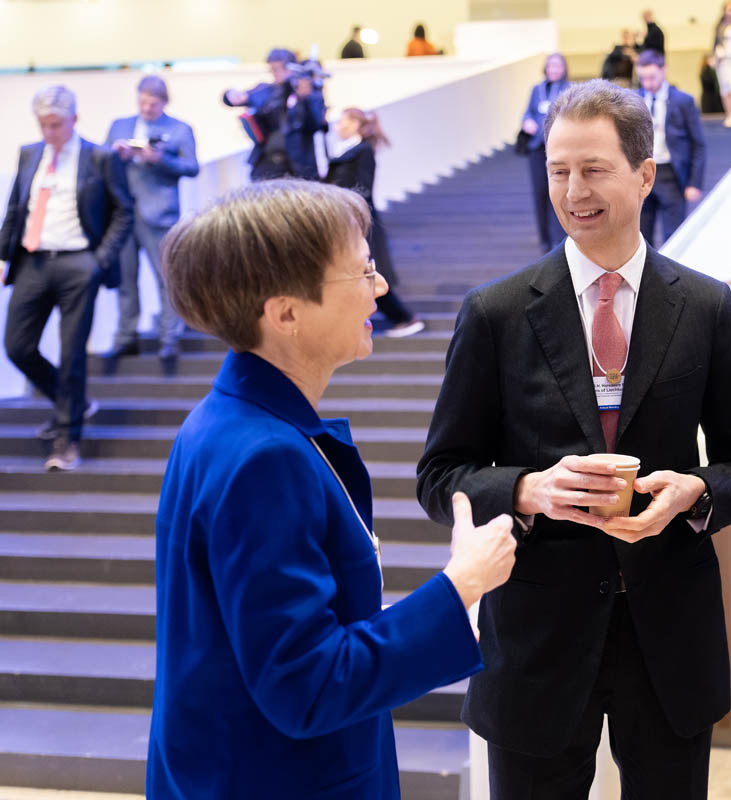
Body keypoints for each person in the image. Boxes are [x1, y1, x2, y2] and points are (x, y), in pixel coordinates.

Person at [417, 79, 731, 798]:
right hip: (537, 639)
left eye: (593, 169)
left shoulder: (705, 305)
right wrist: (528, 490)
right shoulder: (496, 313)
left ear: (645, 174)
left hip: (669, 631)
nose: (573, 191)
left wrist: (694, 492)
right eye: (558, 171)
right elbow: (440, 475)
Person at [146, 179, 517, 798]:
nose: (381, 287)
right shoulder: (264, 456)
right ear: (286, 314)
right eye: (363, 271)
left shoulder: (226, 421)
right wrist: (462, 584)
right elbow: (307, 684)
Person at [0, 85, 132, 472]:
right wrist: (3, 255)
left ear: (74, 119)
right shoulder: (30, 154)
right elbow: (15, 208)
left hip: (78, 263)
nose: (49, 132)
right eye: (43, 125)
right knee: (18, 347)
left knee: (72, 352)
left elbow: (123, 211)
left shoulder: (100, 157)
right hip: (33, 261)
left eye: (56, 124)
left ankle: (67, 438)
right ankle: (72, 403)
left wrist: (98, 261)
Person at [103, 75, 199, 371]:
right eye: (142, 102)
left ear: (164, 102)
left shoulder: (179, 129)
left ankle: (169, 337)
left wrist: (159, 159)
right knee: (125, 279)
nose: (146, 108)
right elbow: (102, 160)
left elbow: (191, 167)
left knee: (165, 278)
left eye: (153, 104)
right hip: (123, 212)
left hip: (159, 213)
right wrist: (117, 155)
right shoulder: (120, 125)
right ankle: (125, 335)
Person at [325, 108, 424, 337]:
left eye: (341, 122)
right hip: (347, 220)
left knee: (366, 272)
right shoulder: (345, 150)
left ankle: (404, 318)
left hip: (359, 222)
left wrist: (346, 210)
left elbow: (363, 188)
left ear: (354, 124)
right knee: (359, 273)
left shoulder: (362, 151)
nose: (337, 127)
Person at [634, 49, 706, 246]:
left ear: (663, 70)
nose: (647, 83)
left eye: (652, 77)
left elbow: (698, 143)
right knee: (640, 237)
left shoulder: (683, 101)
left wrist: (694, 183)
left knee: (674, 236)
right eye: (643, 78)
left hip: (671, 174)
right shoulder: (633, 100)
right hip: (641, 175)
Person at [222, 48, 326, 181]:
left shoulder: (308, 91)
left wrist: (304, 99)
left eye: (277, 69)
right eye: (272, 69)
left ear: (291, 67)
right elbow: (241, 98)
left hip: (297, 164)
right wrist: (232, 97)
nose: (274, 73)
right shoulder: (266, 90)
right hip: (267, 160)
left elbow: (315, 124)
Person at [520, 53, 570, 253]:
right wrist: (527, 121)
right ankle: (544, 240)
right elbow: (528, 112)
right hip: (537, 149)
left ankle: (560, 239)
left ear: (564, 68)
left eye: (558, 66)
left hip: (559, 150)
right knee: (540, 192)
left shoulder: (569, 89)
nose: (554, 69)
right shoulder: (536, 89)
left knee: (558, 193)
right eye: (551, 66)